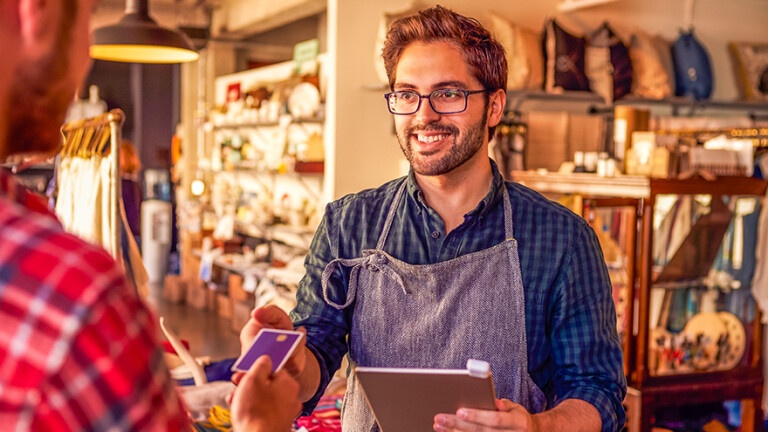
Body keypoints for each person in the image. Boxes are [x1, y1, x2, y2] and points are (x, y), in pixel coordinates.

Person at [239, 5, 626, 432]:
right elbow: (320, 351)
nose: (423, 116)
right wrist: (293, 360)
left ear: (494, 106)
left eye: (448, 93)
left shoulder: (563, 239)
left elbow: (597, 392)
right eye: (406, 94)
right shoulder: (348, 224)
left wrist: (539, 428)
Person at [0, 1, 300, 430]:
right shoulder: (68, 296)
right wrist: (260, 423)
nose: (85, 58)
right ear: (36, 12)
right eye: (85, 22)